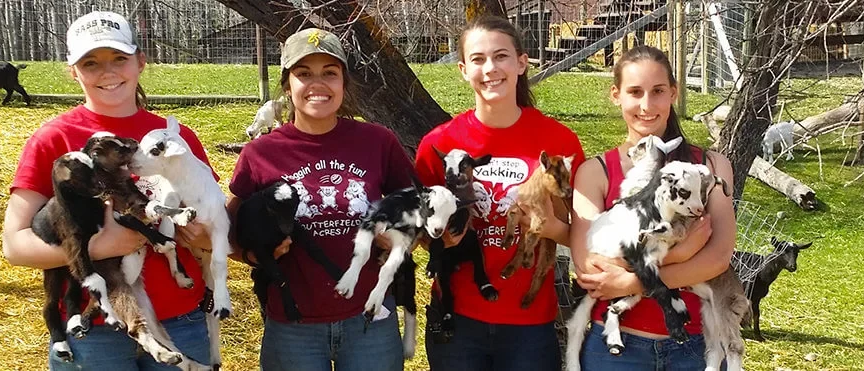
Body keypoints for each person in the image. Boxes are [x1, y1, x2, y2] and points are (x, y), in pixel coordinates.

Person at [0, 10, 216, 370]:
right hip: (95, 330)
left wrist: (202, 235)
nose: (108, 72)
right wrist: (101, 246)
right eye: (91, 63)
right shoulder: (54, 140)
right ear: (73, 71)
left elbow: (212, 223)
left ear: (140, 62)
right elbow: (15, 245)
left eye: (119, 58)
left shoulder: (174, 138)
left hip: (181, 319)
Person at [225, 28, 416, 371]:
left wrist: (401, 239)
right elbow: (227, 230)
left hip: (370, 319)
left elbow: (415, 207)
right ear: (287, 85)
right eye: (303, 74)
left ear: (344, 82)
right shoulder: (261, 153)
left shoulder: (376, 141)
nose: (318, 83)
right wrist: (254, 256)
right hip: (292, 324)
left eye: (330, 73)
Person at [413, 16, 584, 371]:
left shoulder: (558, 142)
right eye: (477, 59)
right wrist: (441, 238)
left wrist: (551, 227)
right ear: (462, 69)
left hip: (530, 321)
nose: (490, 68)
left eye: (501, 56)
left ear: (521, 63)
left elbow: (582, 231)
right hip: (457, 318)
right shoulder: (439, 145)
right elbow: (420, 230)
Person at [568, 45, 738, 370]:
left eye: (658, 91)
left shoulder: (711, 166)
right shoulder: (595, 172)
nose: (646, 105)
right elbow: (590, 267)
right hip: (617, 349)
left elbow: (717, 258)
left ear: (673, 93)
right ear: (616, 95)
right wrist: (684, 251)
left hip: (698, 348)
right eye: (635, 92)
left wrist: (629, 283)